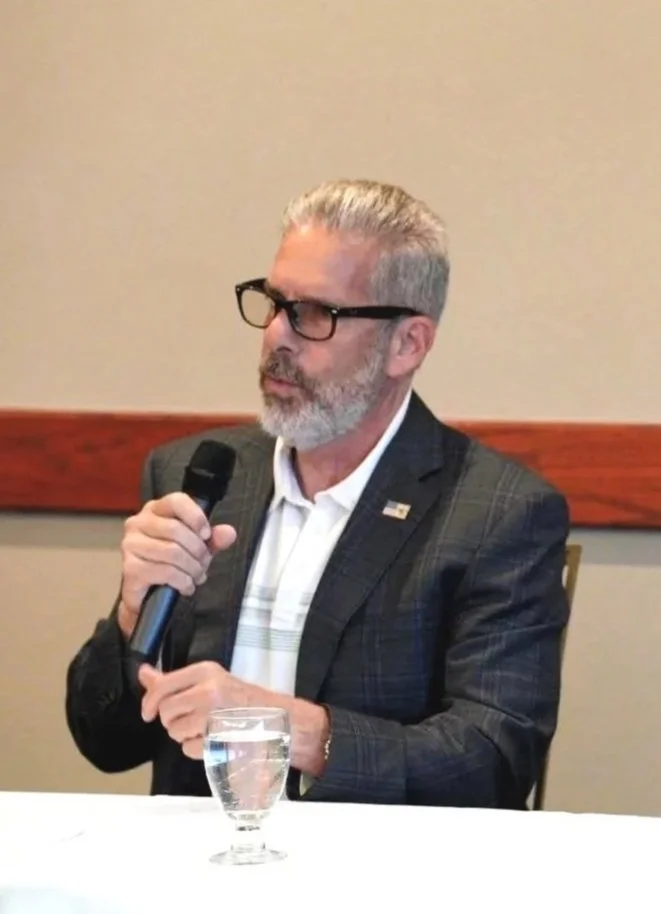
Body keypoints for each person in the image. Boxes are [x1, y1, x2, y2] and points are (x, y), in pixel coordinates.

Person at [65, 179, 572, 809]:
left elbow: (494, 762)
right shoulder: (196, 477)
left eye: (314, 314)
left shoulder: (498, 512)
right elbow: (104, 742)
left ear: (407, 344)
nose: (277, 335)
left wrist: (290, 729)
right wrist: (130, 616)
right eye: (273, 303)